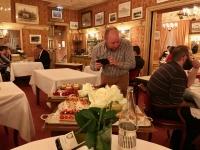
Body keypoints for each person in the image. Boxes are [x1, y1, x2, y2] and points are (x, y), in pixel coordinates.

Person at [147, 45, 200, 150]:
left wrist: (195, 68)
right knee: (197, 118)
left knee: (192, 110)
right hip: (163, 109)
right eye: (191, 57)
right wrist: (191, 104)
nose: (192, 59)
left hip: (159, 105)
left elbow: (188, 84)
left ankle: (177, 142)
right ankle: (182, 145)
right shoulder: (177, 72)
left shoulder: (171, 66)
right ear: (184, 57)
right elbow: (177, 102)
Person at [90, 26, 136, 96]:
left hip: (122, 78)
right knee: (105, 101)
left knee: (121, 102)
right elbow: (91, 66)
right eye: (113, 43)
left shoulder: (126, 44)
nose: (116, 45)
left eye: (118, 42)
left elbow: (132, 64)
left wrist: (118, 63)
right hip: (106, 79)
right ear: (105, 39)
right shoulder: (97, 48)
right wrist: (96, 66)